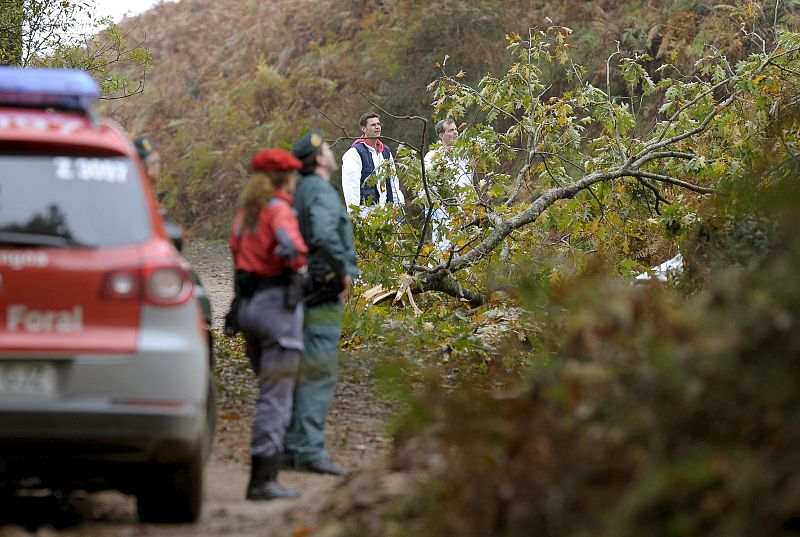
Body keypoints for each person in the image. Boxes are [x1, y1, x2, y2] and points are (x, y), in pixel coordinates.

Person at [229, 148, 308, 500]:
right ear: (285, 178)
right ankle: (262, 481)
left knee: (268, 389)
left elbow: (236, 253)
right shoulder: (278, 210)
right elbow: (293, 247)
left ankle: (264, 475)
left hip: (247, 308)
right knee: (275, 396)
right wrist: (298, 265)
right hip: (277, 309)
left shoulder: (245, 215)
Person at [283, 129, 358, 475]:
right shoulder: (322, 193)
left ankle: (292, 446)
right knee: (320, 369)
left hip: (305, 288)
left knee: (302, 367)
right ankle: (308, 450)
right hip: (323, 291)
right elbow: (325, 234)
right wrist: (341, 271)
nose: (331, 151)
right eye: (327, 148)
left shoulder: (303, 190)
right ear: (319, 159)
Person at [421, 118, 474, 251]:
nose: (455, 133)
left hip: (466, 207)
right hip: (443, 210)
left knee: (467, 246)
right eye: (450, 130)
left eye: (456, 129)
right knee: (443, 247)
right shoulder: (432, 156)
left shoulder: (465, 153)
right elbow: (425, 184)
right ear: (441, 135)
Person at [341, 112, 404, 213]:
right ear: (363, 129)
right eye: (373, 125)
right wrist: (354, 212)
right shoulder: (355, 152)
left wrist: (397, 203)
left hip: (386, 210)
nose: (377, 127)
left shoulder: (385, 151)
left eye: (379, 124)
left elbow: (393, 180)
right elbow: (351, 184)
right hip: (366, 211)